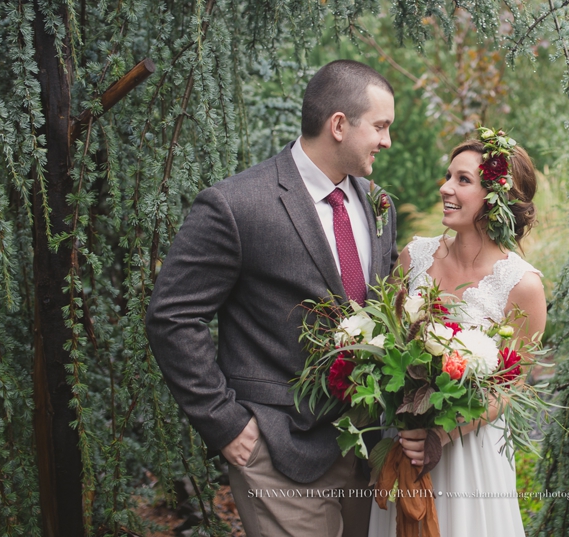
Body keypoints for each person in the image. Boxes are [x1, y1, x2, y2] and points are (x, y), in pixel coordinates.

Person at [146, 60, 398, 537]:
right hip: (279, 450)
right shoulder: (236, 205)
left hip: (366, 449)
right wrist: (224, 423)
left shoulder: (377, 201)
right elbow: (172, 317)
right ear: (339, 125)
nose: (387, 141)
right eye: (381, 126)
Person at [367, 131, 547, 537]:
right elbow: (386, 342)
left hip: (470, 451)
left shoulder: (522, 285)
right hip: (404, 440)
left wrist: (440, 434)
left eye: (463, 180)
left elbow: (511, 386)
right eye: (449, 176)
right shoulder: (415, 257)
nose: (446, 187)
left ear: (496, 196)